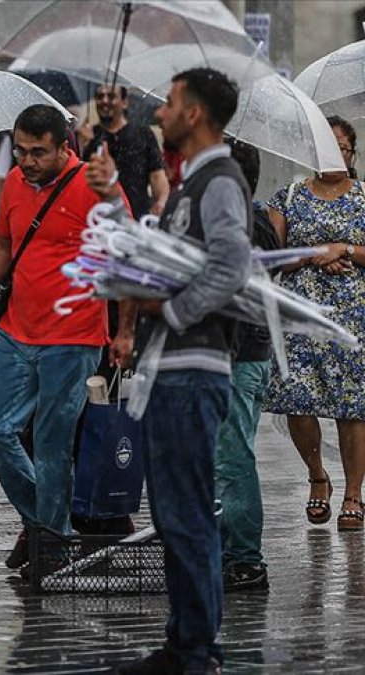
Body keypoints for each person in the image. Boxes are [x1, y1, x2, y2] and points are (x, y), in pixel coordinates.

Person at [113, 68, 252, 675]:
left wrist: (166, 308)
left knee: (189, 511)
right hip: (168, 365)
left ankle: (199, 650)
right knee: (171, 511)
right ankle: (183, 641)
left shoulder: (219, 180)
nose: (161, 112)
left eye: (170, 102)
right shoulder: (189, 184)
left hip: (195, 369)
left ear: (194, 113)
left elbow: (229, 267)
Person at [0, 105, 130, 570]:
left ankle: (50, 545)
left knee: (54, 446)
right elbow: (2, 246)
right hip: (17, 331)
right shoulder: (14, 181)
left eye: (39, 152)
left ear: (64, 148)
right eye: (20, 151)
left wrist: (126, 330)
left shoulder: (96, 187)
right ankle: (48, 527)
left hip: (74, 337)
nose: (27, 161)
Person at [264, 115, 364, 534]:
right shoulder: (287, 196)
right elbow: (272, 252)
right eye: (325, 147)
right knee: (298, 399)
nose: (333, 154)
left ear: (351, 153)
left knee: (352, 405)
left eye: (340, 147)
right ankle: (317, 476)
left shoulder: (363, 197)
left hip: (350, 314)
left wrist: (345, 249)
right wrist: (311, 254)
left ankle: (354, 494)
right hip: (300, 313)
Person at [214, 140, 276, 592]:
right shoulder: (251, 221)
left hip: (239, 358)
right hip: (242, 356)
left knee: (233, 458)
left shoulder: (245, 226)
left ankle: (244, 558)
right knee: (226, 457)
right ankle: (227, 550)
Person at [78, 84, 170, 219]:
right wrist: (81, 146)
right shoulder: (88, 136)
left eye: (111, 96)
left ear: (125, 102)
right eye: (99, 97)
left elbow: (157, 175)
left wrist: (162, 201)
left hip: (135, 217)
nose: (104, 101)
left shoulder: (142, 133)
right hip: (96, 216)